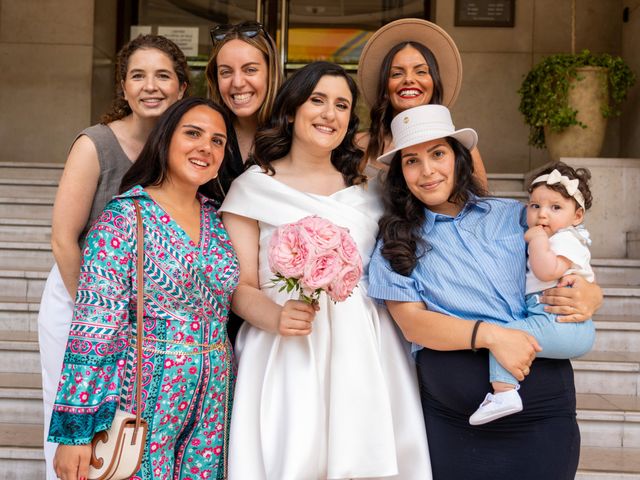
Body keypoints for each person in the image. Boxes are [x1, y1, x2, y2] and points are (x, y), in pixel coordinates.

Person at [219, 62, 431, 479]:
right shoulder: (251, 187)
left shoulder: (370, 190)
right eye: (317, 100)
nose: (328, 114)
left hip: (365, 351)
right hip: (285, 350)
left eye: (341, 105)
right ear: (292, 109)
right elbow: (240, 287)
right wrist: (276, 317)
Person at [368, 104, 602, 479]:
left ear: (459, 159)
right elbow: (413, 324)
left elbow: (568, 259)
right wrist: (493, 336)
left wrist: (592, 292)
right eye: (411, 161)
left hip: (541, 414)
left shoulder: (514, 214)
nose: (427, 170)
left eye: (438, 154)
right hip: (455, 422)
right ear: (400, 174)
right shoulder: (395, 242)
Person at [48, 97, 239, 480]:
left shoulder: (216, 218)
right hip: (142, 396)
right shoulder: (123, 218)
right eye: (193, 133)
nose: (206, 146)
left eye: (218, 141)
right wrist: (75, 434)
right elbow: (93, 330)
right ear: (165, 139)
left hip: (213, 399)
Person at [37, 34, 189, 480]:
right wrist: (99, 316)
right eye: (138, 76)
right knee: (77, 430)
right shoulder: (95, 145)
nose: (151, 86)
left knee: (126, 434)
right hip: (81, 304)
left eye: (163, 75)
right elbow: (64, 240)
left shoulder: (184, 147)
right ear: (123, 88)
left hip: (147, 316)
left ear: (182, 87)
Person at [469, 162, 596, 425]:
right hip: (551, 317)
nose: (542, 215)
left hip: (561, 322)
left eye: (556, 207)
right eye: (535, 206)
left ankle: (504, 393)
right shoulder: (554, 237)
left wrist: (537, 240)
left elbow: (547, 270)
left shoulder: (566, 239)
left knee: (507, 335)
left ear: (577, 216)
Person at [357, 18, 487, 185]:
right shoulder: (360, 145)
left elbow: (481, 204)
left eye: (420, 72)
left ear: (434, 82)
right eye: (397, 74)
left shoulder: (460, 144)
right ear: (385, 86)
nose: (409, 80)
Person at [205, 20, 282, 194]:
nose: (238, 83)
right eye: (226, 72)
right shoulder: (205, 135)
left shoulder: (295, 135)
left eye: (250, 70)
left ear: (271, 73)